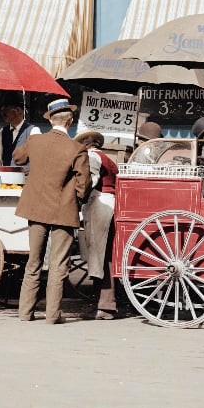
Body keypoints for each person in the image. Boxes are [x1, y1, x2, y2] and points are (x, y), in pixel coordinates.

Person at [13, 98, 90, 324]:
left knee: (33, 262)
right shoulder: (77, 148)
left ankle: (25, 313)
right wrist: (75, 199)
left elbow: (18, 157)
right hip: (63, 212)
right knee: (58, 265)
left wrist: (32, 139)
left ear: (50, 120)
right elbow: (84, 184)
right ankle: (52, 316)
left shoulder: (35, 140)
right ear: (70, 122)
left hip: (35, 209)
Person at [74, 130, 120, 320]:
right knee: (104, 254)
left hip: (100, 204)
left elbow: (89, 182)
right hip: (109, 203)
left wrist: (76, 197)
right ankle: (102, 303)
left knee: (99, 254)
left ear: (86, 144)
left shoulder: (92, 157)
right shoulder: (106, 157)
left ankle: (105, 306)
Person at [0, 99, 40, 167]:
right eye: (1, 109)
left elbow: (38, 159)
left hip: (25, 176)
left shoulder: (33, 131)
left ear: (18, 110)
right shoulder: (2, 132)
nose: (2, 112)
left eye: (6, 109)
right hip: (6, 176)